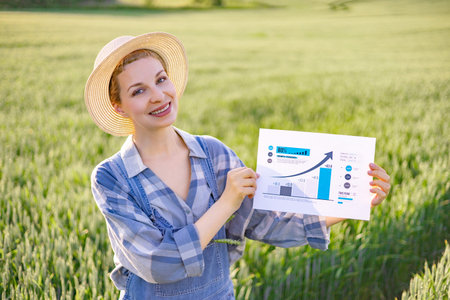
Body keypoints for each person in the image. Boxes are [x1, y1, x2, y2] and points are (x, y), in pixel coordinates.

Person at [84, 32, 391, 300]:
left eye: (161, 79)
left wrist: (353, 202)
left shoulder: (214, 154)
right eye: (139, 90)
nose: (158, 96)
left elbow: (266, 221)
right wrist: (227, 203)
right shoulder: (112, 178)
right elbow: (159, 263)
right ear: (119, 106)